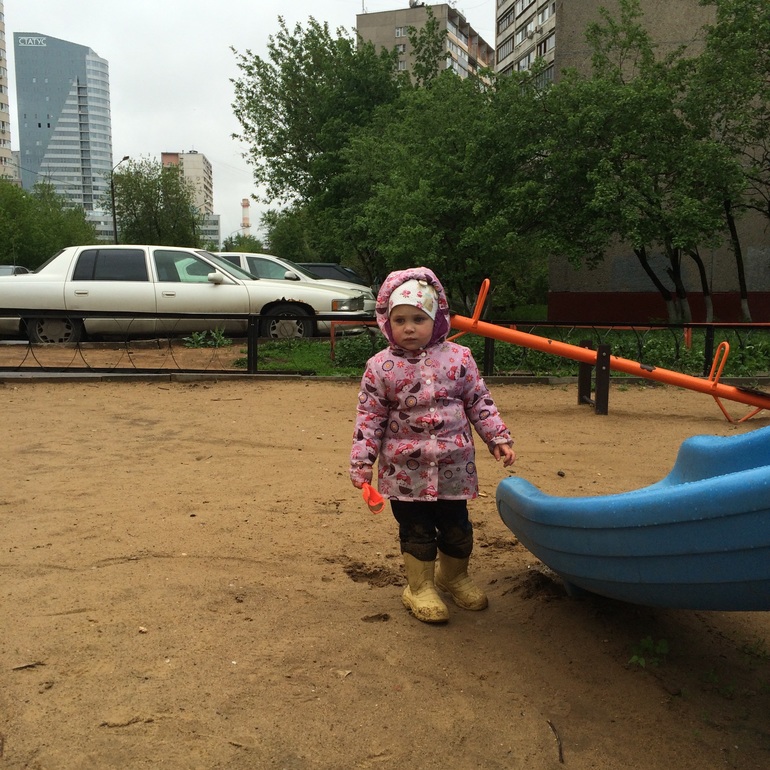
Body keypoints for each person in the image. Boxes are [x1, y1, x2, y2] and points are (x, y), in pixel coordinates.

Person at [350, 267, 516, 624]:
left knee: (457, 525)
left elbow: (479, 401)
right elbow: (369, 418)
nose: (409, 328)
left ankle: (453, 577)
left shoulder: (459, 358)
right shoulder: (380, 367)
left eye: (418, 319)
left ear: (437, 318)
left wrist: (497, 437)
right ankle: (420, 586)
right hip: (404, 472)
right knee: (417, 530)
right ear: (387, 321)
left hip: (454, 466)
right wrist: (362, 463)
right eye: (400, 320)